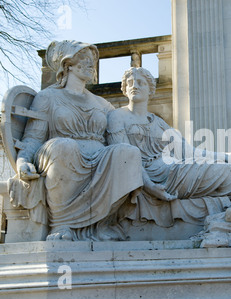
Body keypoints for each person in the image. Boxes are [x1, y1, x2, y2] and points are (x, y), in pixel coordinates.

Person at [10, 40, 144, 241]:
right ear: (67, 65)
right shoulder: (47, 97)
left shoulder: (103, 104)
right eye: (84, 59)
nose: (91, 64)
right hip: (61, 157)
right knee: (65, 146)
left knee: (127, 152)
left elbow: (121, 136)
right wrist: (22, 161)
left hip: (99, 160)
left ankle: (102, 224)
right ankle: (61, 224)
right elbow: (33, 138)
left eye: (92, 60)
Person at [106, 67, 231, 228]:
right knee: (222, 171)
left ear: (150, 90)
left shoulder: (159, 123)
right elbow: (124, 157)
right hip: (154, 177)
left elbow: (190, 151)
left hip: (172, 170)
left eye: (140, 83)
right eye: (130, 83)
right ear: (125, 90)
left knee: (225, 167)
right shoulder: (117, 116)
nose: (134, 85)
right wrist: (149, 185)